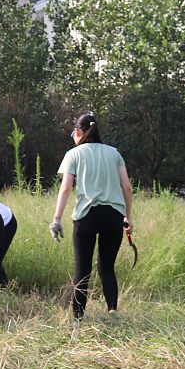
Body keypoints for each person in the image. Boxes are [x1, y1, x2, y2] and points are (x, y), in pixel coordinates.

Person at [50, 113, 135, 319]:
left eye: (73, 132)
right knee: (107, 268)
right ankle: (113, 311)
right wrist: (127, 217)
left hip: (86, 216)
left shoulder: (74, 154)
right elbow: (127, 187)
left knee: (82, 271)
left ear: (79, 131)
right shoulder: (114, 153)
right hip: (113, 216)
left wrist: (57, 219)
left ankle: (78, 318)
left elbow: (66, 188)